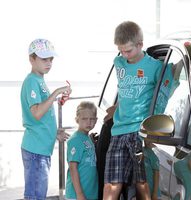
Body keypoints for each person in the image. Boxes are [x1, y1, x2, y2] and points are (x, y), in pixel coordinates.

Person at [102, 21, 166, 200]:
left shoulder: (155, 67)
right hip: (118, 130)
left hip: (140, 131)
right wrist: (117, 107)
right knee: (112, 183)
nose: (124, 54)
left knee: (142, 182)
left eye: (128, 50)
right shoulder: (119, 63)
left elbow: (163, 94)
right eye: (120, 50)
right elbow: (125, 92)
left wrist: (155, 130)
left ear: (140, 44)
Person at [20, 38, 72, 200]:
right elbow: (36, 113)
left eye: (51, 59)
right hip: (35, 150)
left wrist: (54, 133)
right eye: (44, 59)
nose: (49, 63)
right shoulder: (32, 81)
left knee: (38, 194)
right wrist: (56, 93)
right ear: (31, 59)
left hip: (41, 148)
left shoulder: (40, 80)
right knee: (35, 196)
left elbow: (41, 118)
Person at [65, 101, 98, 200]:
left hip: (90, 193)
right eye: (84, 119)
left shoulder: (87, 137)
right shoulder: (75, 140)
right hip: (77, 196)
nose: (88, 122)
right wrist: (79, 194)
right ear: (77, 120)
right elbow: (73, 168)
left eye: (92, 119)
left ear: (96, 120)